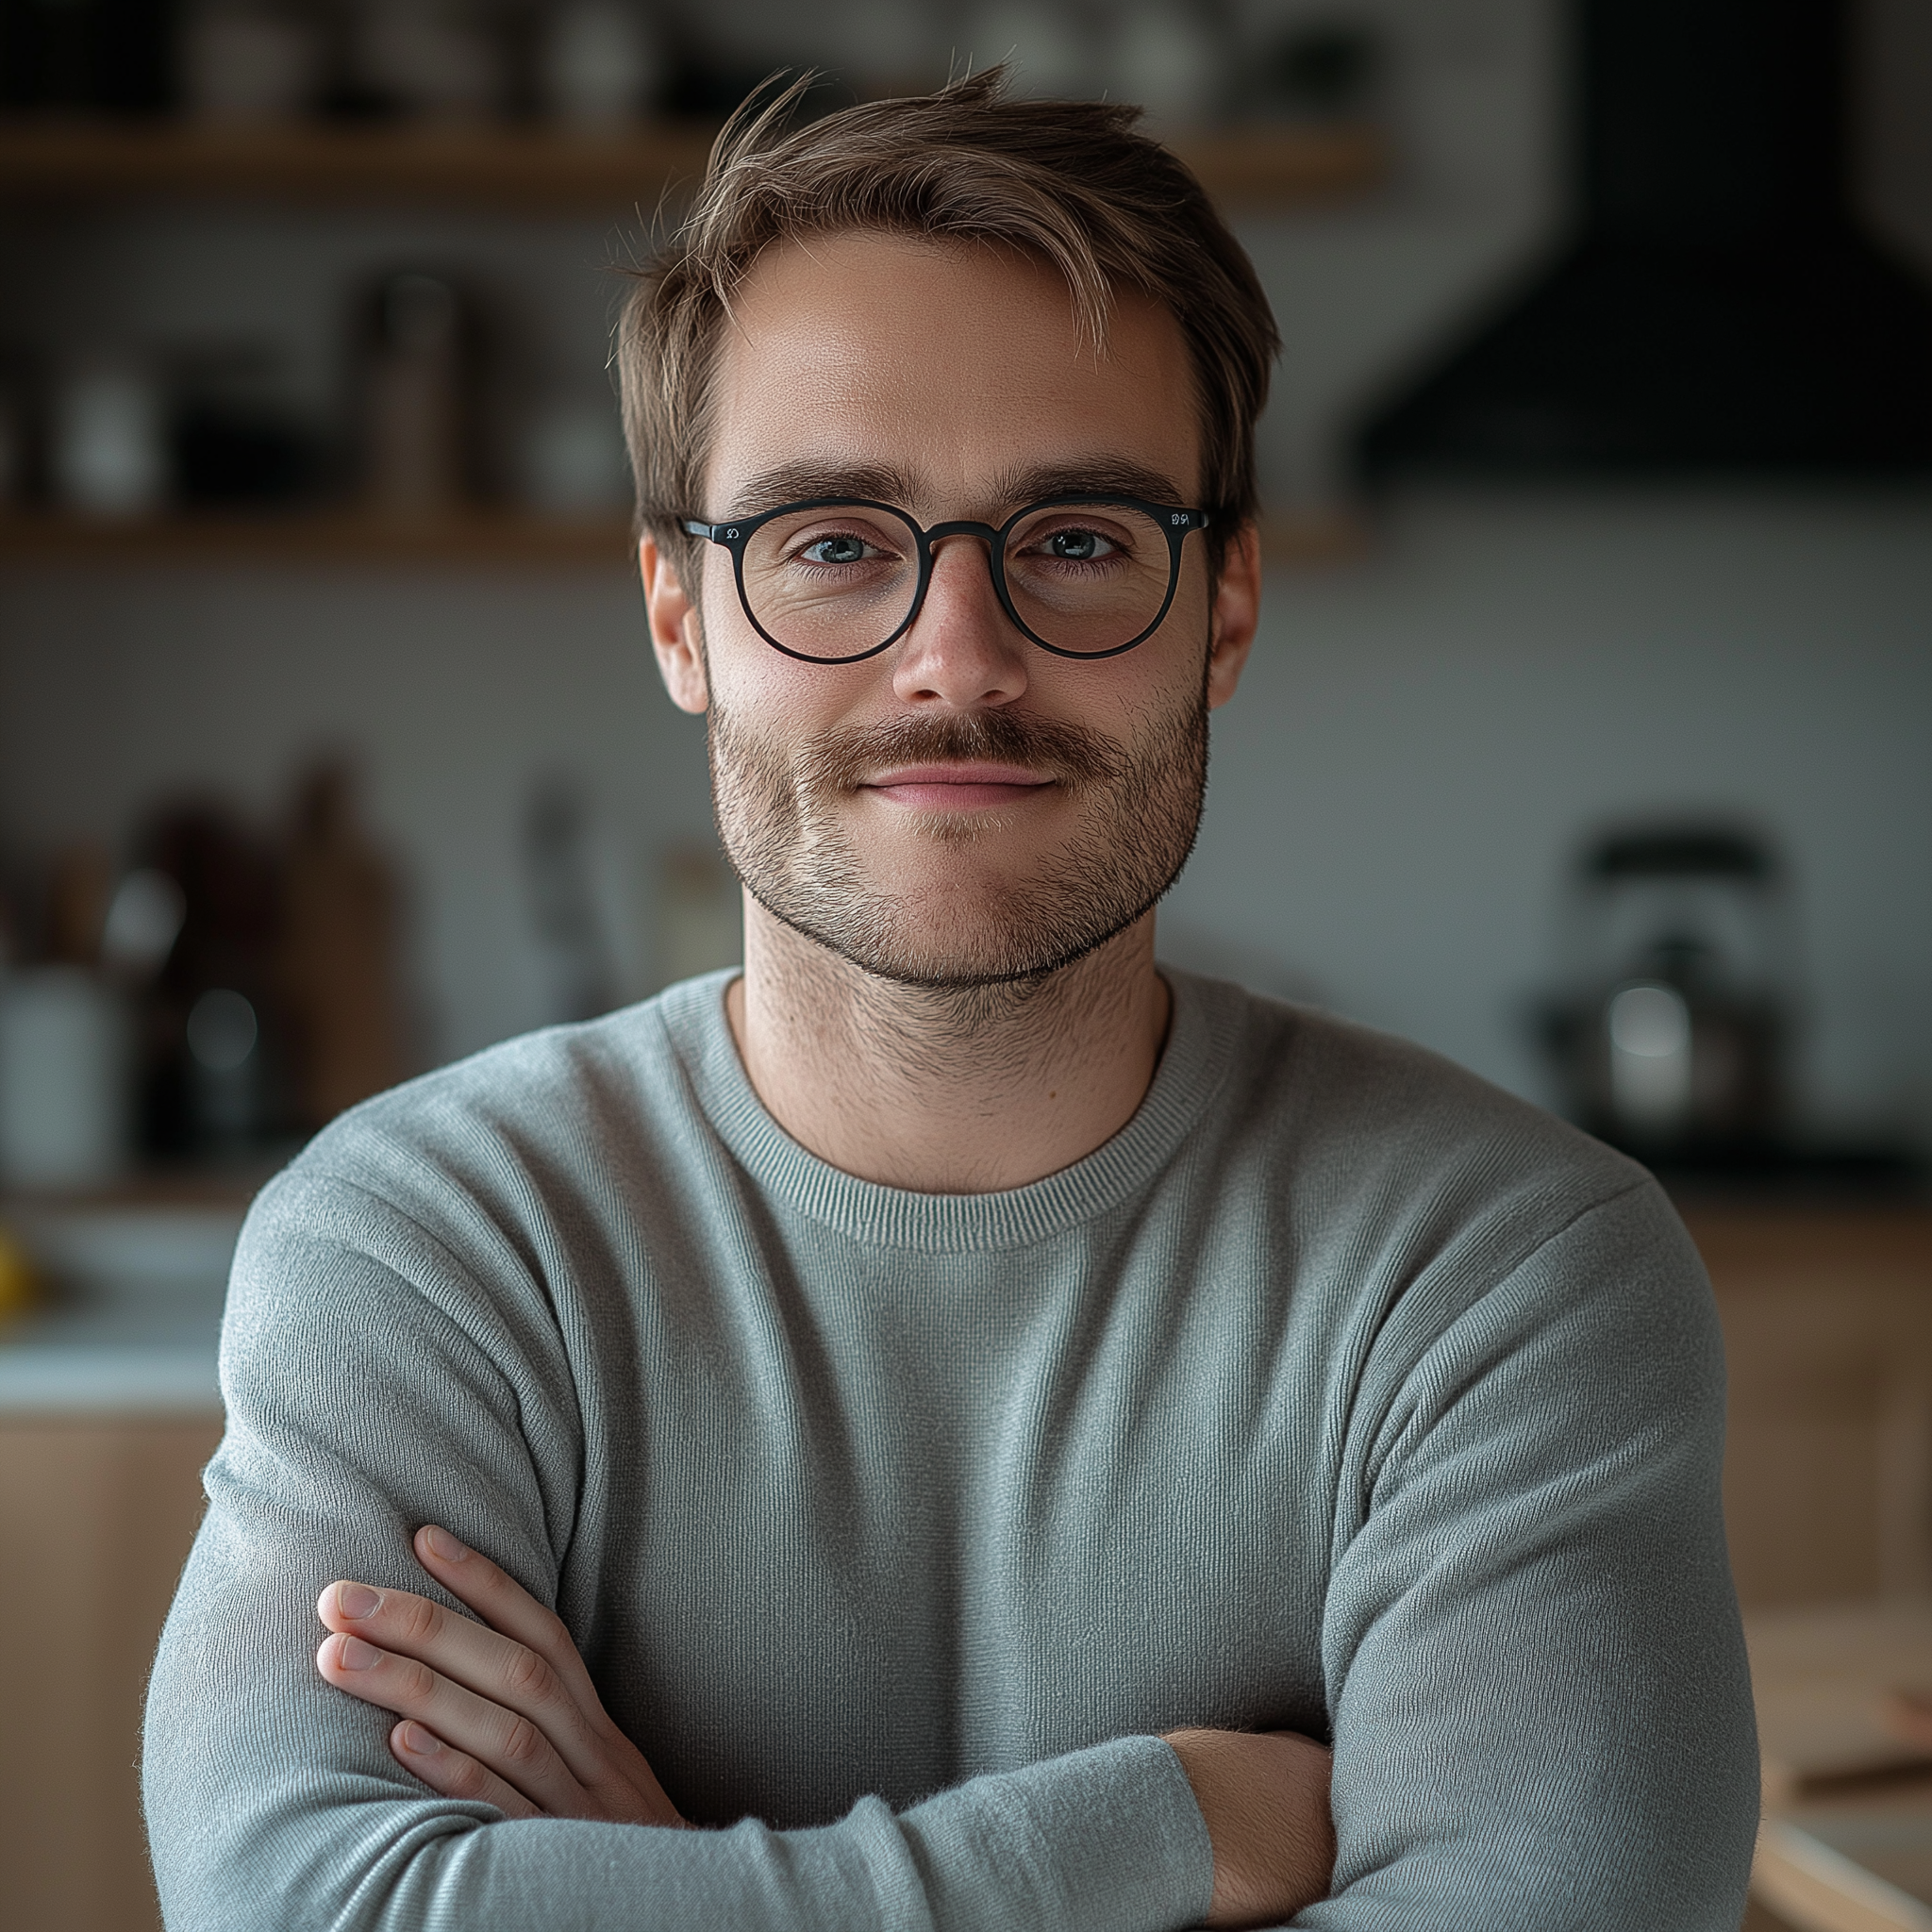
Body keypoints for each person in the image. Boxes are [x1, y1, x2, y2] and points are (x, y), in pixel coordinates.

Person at [143, 72, 1760, 1931]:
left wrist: (670, 1883)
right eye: (833, 540)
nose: (954, 659)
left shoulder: (1506, 1277)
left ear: (1222, 605)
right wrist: (1169, 1824)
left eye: (1075, 538)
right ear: (681, 616)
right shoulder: (430, 1247)